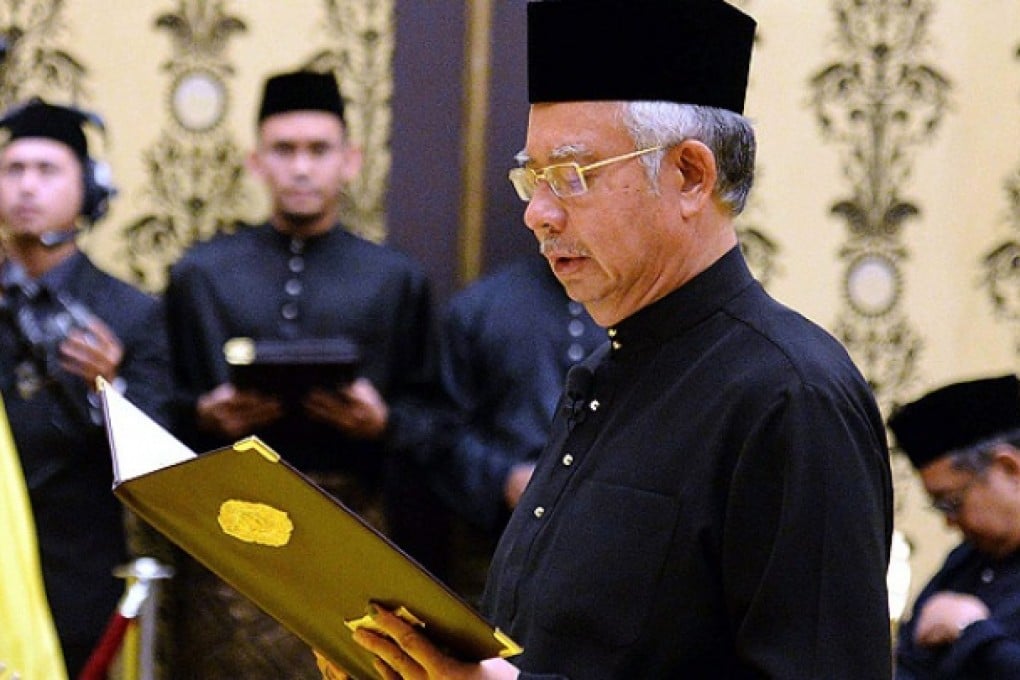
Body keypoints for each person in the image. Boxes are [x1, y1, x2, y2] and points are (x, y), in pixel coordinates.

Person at [319, 1, 895, 678]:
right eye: (532, 178)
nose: (537, 213)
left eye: (571, 176)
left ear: (689, 176)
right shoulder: (605, 369)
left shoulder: (791, 396)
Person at [164, 69, 441, 678]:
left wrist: (383, 422)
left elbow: (438, 420)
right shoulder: (201, 275)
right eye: (284, 150)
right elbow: (161, 404)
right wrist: (204, 414)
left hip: (353, 534)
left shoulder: (396, 279)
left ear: (350, 161)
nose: (301, 167)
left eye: (318, 150)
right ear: (256, 161)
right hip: (226, 542)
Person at [0, 98, 173, 677]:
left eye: (47, 171)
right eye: (13, 169)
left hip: (79, 571)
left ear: (89, 190)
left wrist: (111, 388)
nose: (27, 187)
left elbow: (162, 458)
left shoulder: (129, 312)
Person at [430, 254, 605, 602]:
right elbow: (440, 429)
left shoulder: (646, 308)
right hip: (498, 544)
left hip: (611, 542)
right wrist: (503, 478)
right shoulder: (480, 307)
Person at [888, 374, 1020, 679]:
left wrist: (973, 633)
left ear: (1008, 468)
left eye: (951, 502)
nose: (949, 522)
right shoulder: (963, 564)